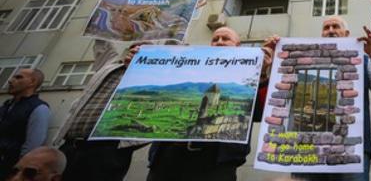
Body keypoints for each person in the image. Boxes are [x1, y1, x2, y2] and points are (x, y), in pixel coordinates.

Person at [264, 16, 371, 181]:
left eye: (335, 26)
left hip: (351, 151)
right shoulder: (302, 61)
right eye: (326, 28)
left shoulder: (364, 59)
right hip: (308, 151)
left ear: (346, 34)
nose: (331, 30)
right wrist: (276, 57)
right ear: (322, 34)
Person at [147, 26, 271, 181]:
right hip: (167, 159)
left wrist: (263, 75)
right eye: (215, 39)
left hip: (216, 165)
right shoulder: (188, 69)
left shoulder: (249, 77)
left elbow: (260, 112)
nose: (219, 42)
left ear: (238, 47)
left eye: (225, 39)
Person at [52, 39, 150, 181]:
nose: (136, 51)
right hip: (70, 145)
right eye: (134, 48)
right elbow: (102, 41)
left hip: (107, 152)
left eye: (143, 50)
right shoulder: (109, 65)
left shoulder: (150, 78)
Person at [0, 68, 50, 180]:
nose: (10, 80)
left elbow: (33, 145)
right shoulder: (6, 106)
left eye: (18, 77)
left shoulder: (39, 108)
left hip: (9, 169)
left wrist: (17, 172)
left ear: (32, 82)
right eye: (13, 77)